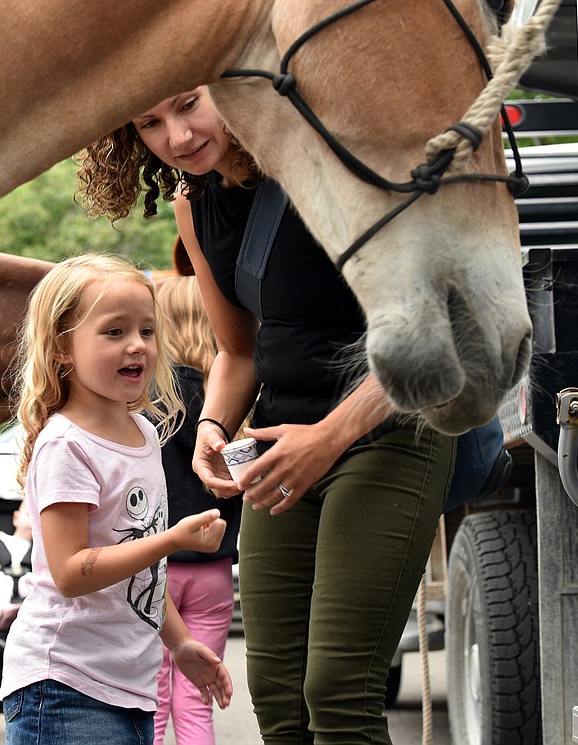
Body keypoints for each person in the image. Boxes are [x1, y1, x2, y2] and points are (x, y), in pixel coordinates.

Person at [77, 87, 455, 743]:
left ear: (233, 87)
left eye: (189, 104)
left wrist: (327, 438)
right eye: (151, 122)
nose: (178, 135)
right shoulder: (195, 206)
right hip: (279, 448)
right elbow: (238, 348)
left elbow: (427, 331)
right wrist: (213, 429)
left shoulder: (334, 162)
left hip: (385, 429)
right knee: (278, 697)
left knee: (338, 693)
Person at [0, 253, 234, 745]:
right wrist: (170, 541)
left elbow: (140, 572)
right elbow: (69, 573)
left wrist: (180, 642)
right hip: (63, 684)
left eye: (147, 331)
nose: (137, 345)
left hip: (129, 687)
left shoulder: (145, 433)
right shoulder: (67, 445)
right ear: (62, 346)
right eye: (114, 332)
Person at [152, 274, 241, 744]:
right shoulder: (234, 406)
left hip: (155, 568)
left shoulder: (151, 401)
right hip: (215, 569)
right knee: (195, 698)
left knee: (152, 702)